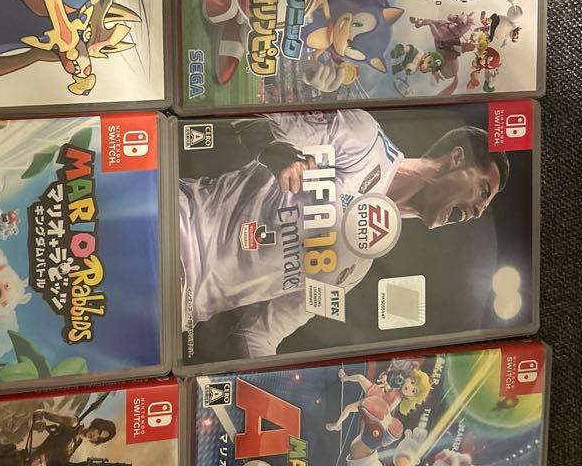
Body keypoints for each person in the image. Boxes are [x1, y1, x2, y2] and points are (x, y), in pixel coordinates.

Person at [179, 110, 508, 358]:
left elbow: (260, 334)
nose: (479, 211)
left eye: (485, 205)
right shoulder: (365, 140)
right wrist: (280, 153)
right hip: (177, 224)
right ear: (456, 157)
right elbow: (255, 116)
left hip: (178, 310)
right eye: (483, 190)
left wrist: (266, 389)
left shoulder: (356, 269)